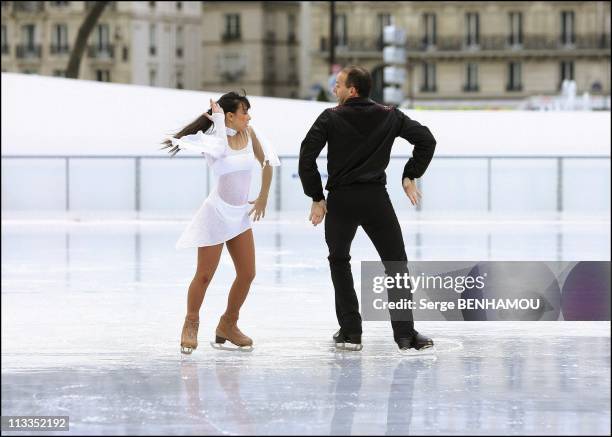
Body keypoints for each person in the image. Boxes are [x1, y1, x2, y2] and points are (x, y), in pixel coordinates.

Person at [298, 65, 436, 352]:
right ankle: (405, 335)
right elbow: (426, 140)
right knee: (395, 264)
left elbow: (306, 155)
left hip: (342, 202)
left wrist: (317, 197)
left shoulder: (330, 117)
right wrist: (409, 174)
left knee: (339, 261)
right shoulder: (390, 115)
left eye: (338, 84)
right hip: (376, 200)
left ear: (353, 90)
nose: (334, 88)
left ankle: (351, 332)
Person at [161, 91, 280, 354]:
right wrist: (216, 121)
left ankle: (228, 323)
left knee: (248, 274)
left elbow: (268, 162)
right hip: (215, 215)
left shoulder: (251, 134)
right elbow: (217, 140)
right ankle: (191, 323)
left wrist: (262, 197)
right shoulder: (214, 142)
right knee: (204, 275)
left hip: (239, 217)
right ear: (229, 116)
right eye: (244, 113)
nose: (248, 118)